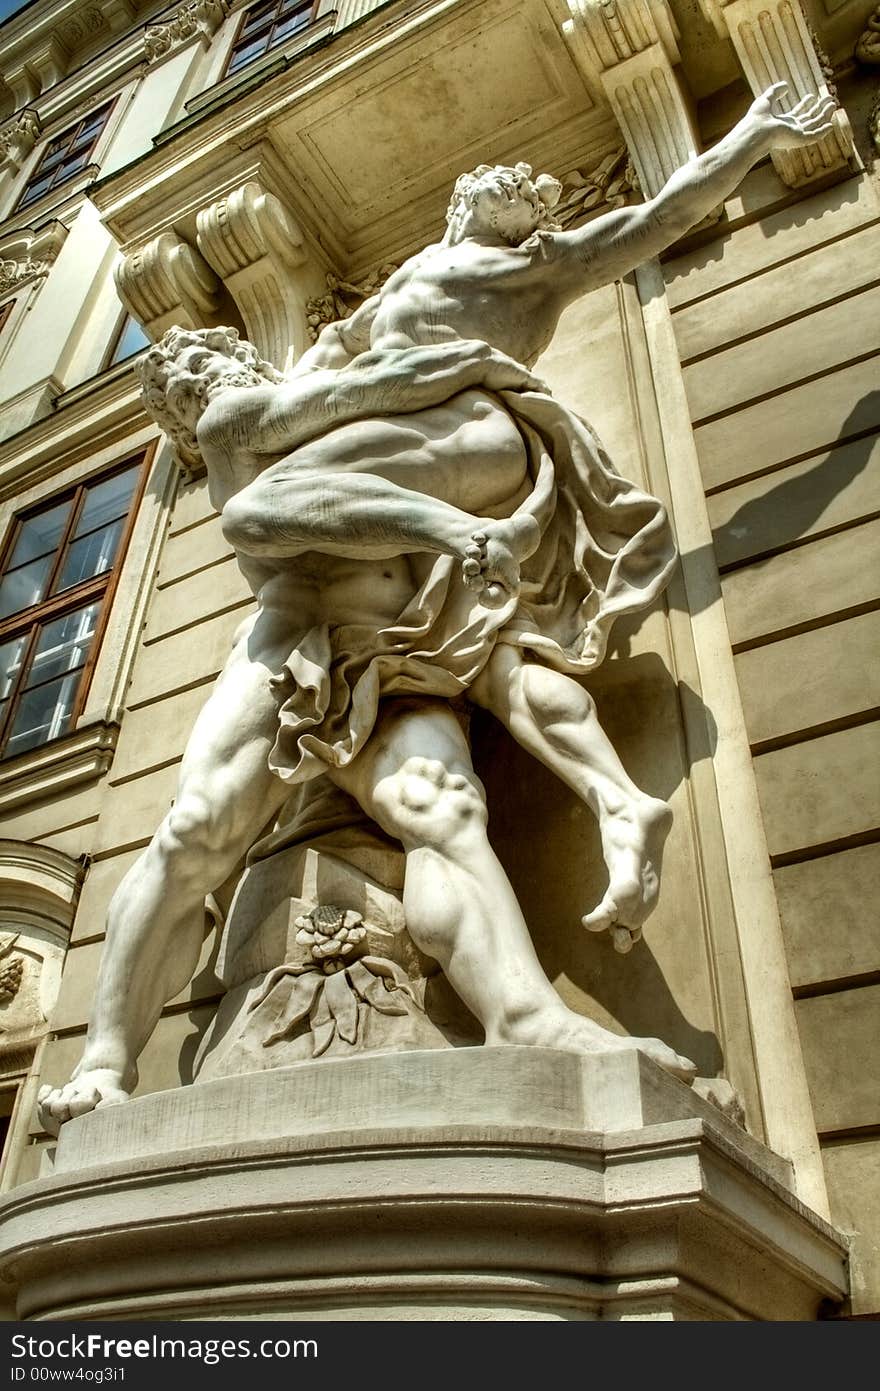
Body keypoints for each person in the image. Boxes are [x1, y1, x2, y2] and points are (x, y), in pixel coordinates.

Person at [38, 82, 833, 1133]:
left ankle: (527, 1014)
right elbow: (277, 482)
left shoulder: (404, 335)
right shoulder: (256, 419)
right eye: (191, 374)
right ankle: (102, 1061)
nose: (202, 370)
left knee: (450, 816)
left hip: (411, 639)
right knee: (192, 833)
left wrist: (747, 137)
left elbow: (647, 220)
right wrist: (431, 412)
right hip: (296, 641)